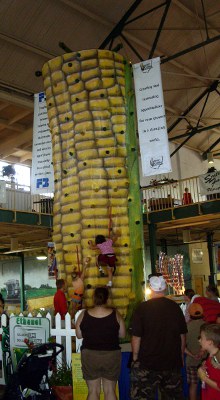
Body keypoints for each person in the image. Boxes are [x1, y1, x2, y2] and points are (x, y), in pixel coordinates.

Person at [130, 274, 187, 400]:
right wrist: (180, 355)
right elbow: (182, 335)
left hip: (147, 363)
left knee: (142, 396)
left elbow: (136, 337)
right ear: (165, 288)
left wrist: (135, 358)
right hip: (171, 361)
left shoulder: (142, 308)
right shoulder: (175, 307)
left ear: (150, 288)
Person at [75, 286, 126, 400]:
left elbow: (78, 335)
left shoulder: (84, 314)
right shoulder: (115, 314)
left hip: (90, 356)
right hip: (111, 355)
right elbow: (122, 334)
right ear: (107, 299)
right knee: (110, 391)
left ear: (94, 298)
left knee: (93, 391)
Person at [185, 303, 206, 400]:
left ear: (189, 314)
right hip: (206, 362)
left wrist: (193, 355)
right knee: (208, 385)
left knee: (193, 386)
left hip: (191, 361)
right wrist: (202, 352)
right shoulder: (207, 326)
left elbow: (182, 347)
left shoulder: (186, 327)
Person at [198, 323, 220, 399]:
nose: (199, 340)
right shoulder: (211, 356)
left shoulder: (217, 360)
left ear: (210, 342)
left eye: (201, 338)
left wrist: (204, 378)